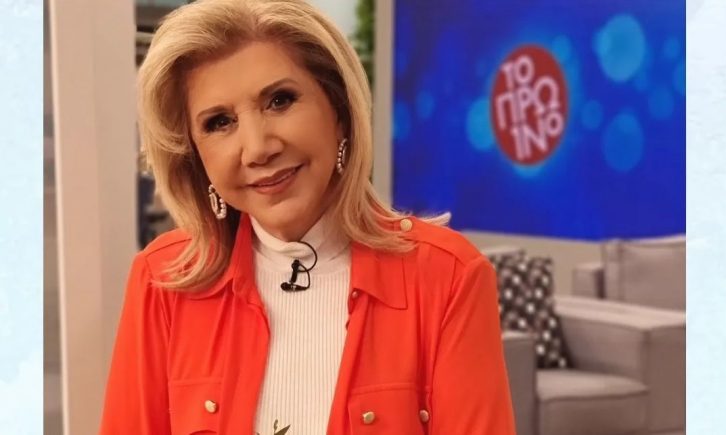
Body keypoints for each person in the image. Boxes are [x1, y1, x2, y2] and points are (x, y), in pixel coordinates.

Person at [100, 0, 516, 433]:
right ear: (195, 155)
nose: (257, 148)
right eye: (219, 122)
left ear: (339, 112)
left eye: (280, 101)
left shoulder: (447, 276)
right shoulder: (162, 280)